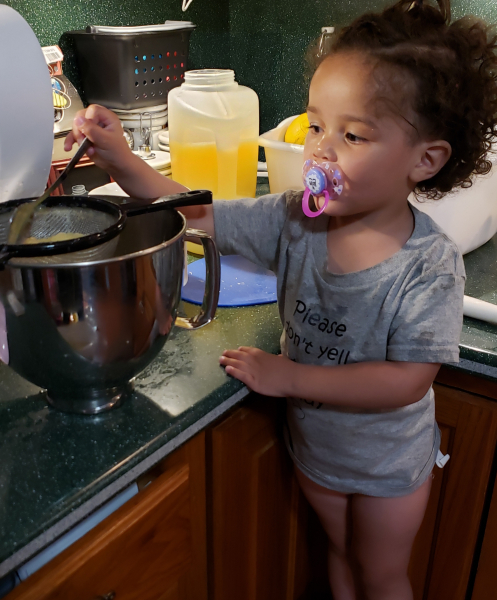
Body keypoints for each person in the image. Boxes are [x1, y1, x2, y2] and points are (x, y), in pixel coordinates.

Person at [64, 1, 497, 597]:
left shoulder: (429, 264)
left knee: (382, 575)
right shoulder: (296, 220)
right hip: (317, 452)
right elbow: (196, 212)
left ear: (425, 160)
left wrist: (288, 377)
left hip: (388, 468)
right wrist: (122, 158)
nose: (321, 150)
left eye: (352, 135)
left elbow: (407, 381)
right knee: (340, 557)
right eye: (316, 126)